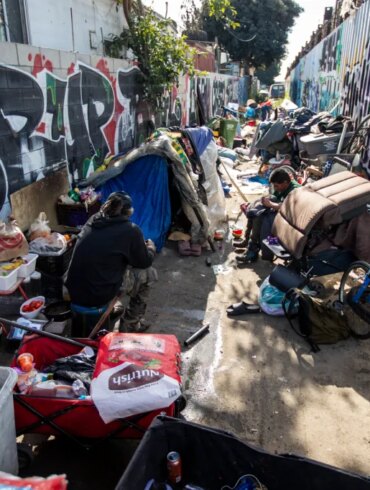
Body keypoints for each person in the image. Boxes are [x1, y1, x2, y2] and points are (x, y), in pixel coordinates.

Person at [65, 191, 157, 332]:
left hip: (73, 288)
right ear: (129, 212)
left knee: (108, 266)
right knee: (149, 273)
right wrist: (150, 249)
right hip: (97, 295)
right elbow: (144, 262)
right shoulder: (131, 230)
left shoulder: (93, 220)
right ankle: (130, 324)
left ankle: (112, 308)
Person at [235, 168, 301, 265]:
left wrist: (270, 204)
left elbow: (288, 208)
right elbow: (274, 198)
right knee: (254, 211)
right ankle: (249, 242)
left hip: (290, 219)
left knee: (263, 219)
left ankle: (255, 250)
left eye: (276, 186)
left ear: (285, 182)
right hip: (280, 213)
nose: (275, 188)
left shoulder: (295, 191)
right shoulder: (282, 187)